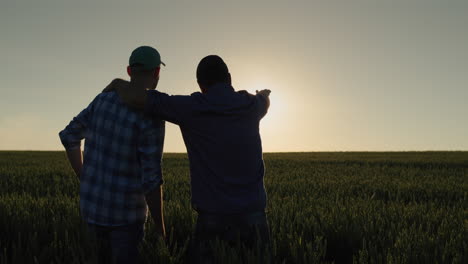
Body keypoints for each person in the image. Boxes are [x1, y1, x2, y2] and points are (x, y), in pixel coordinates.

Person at [105, 55, 271, 263]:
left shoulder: (191, 107)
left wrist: (118, 83)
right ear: (229, 78)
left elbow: (139, 99)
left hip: (212, 220)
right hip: (255, 218)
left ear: (200, 85)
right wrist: (263, 94)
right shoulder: (251, 105)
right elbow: (264, 102)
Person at [59, 46, 166, 264]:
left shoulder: (103, 100)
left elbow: (69, 136)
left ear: (129, 70)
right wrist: (160, 228)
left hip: (91, 212)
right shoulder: (151, 115)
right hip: (126, 220)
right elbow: (151, 179)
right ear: (157, 73)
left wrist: (83, 175)